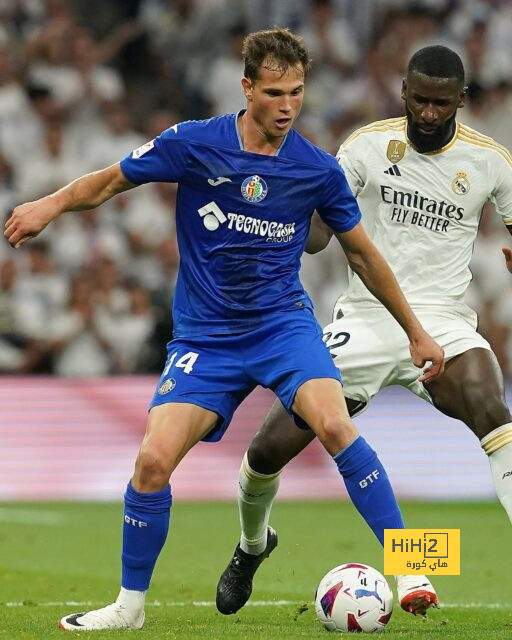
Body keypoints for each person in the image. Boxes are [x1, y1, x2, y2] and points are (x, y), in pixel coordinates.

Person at [4, 29, 444, 631]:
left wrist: (417, 332)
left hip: (282, 327)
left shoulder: (316, 169)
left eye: (297, 92)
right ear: (246, 89)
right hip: (205, 339)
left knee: (336, 423)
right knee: (152, 464)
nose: (288, 106)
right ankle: (130, 608)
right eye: (274, 92)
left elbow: (363, 254)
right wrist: (49, 206)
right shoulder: (193, 143)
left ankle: (412, 568)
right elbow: (109, 181)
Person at [217, 44, 512, 619]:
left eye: (442, 104)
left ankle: (413, 570)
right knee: (266, 450)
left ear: (461, 101)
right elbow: (319, 236)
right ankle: (253, 545)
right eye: (420, 100)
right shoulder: (365, 146)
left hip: (443, 322)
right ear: (403, 92)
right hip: (366, 319)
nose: (429, 113)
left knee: (493, 412)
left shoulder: (491, 162)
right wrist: (300, 218)